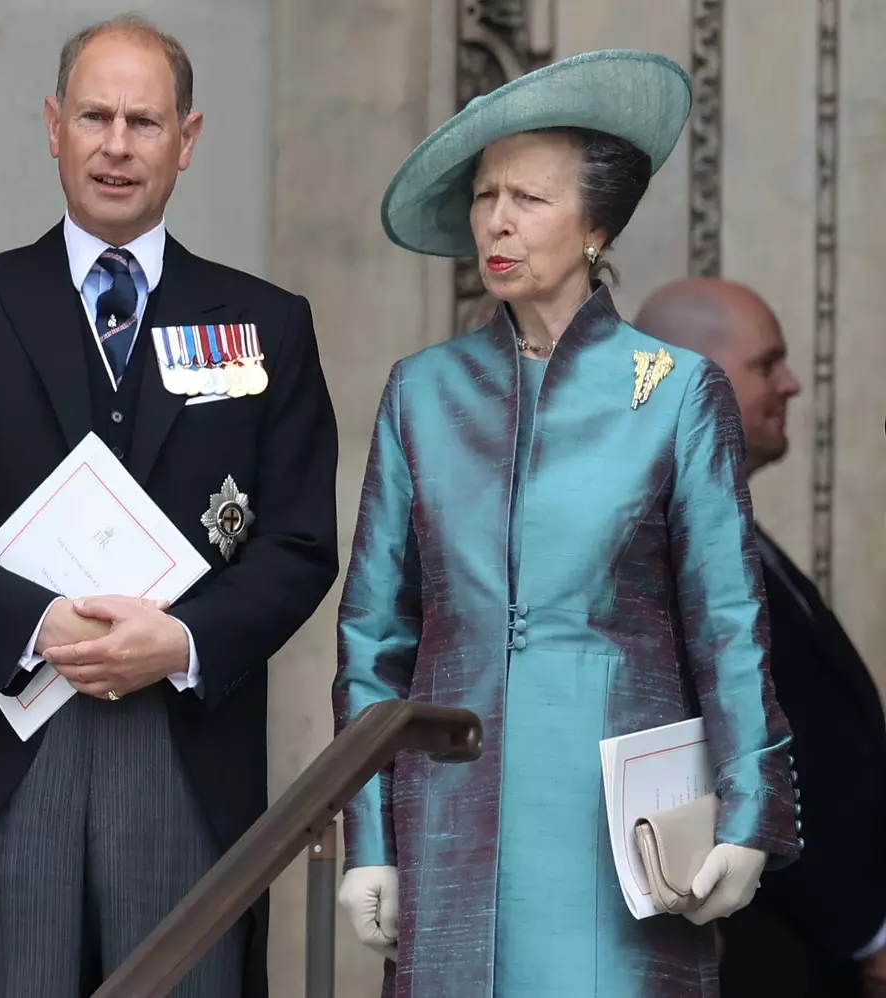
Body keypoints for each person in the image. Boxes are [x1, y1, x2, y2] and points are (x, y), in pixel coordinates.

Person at [0, 15, 338, 998]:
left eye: (144, 122)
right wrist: (33, 621)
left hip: (184, 755)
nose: (117, 145)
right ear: (52, 125)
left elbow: (296, 542)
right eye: (95, 116)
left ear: (188, 139)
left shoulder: (266, 324)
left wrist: (183, 641)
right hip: (8, 757)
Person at [332, 51, 801, 996]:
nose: (497, 221)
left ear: (595, 225)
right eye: (485, 195)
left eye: (530, 200)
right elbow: (375, 635)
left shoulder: (674, 392)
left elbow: (728, 629)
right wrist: (368, 835)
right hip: (447, 807)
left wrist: (749, 812)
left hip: (615, 824)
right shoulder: (423, 393)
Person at [636, 277, 886, 998]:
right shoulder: (662, 542)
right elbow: (743, 755)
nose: (793, 384)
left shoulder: (729, 527)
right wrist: (864, 931)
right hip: (760, 955)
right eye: (767, 364)